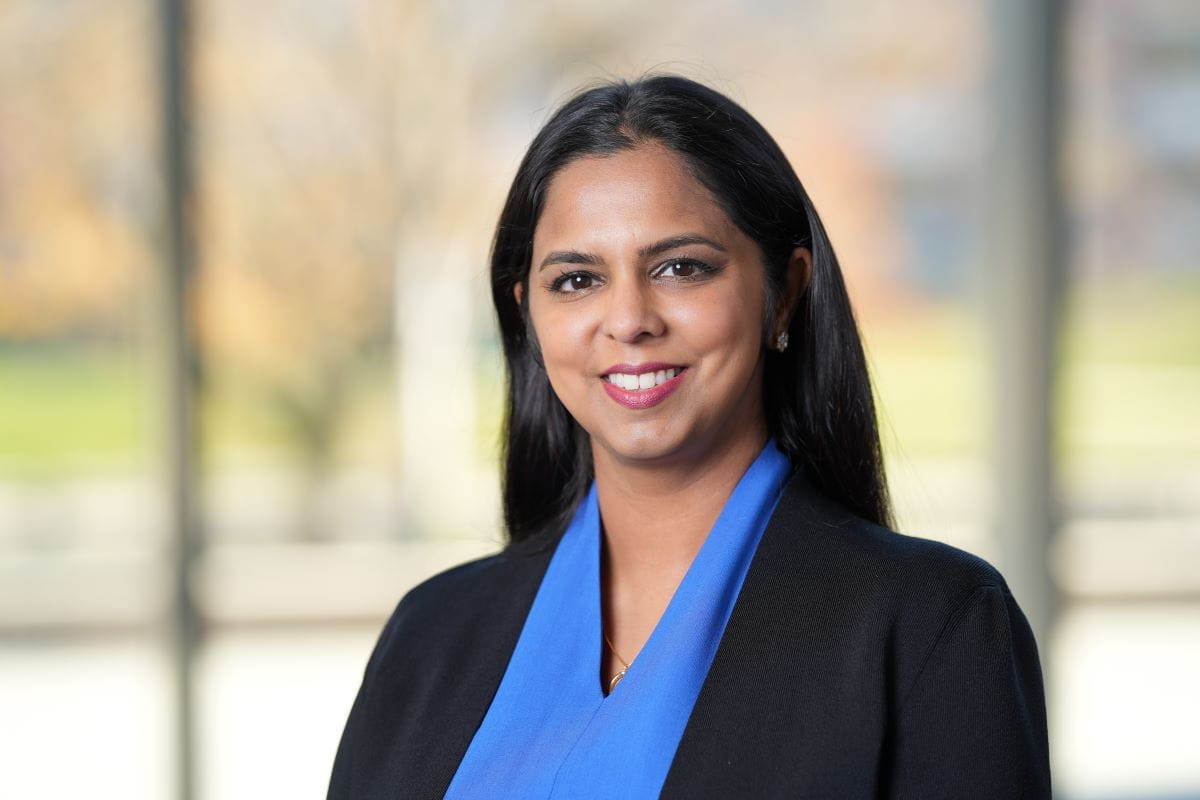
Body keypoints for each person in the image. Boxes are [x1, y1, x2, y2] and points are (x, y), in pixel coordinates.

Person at [327, 74, 1051, 799]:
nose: (630, 319)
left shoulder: (932, 625)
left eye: (681, 268)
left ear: (785, 292)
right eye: (577, 280)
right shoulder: (428, 634)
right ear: (528, 317)